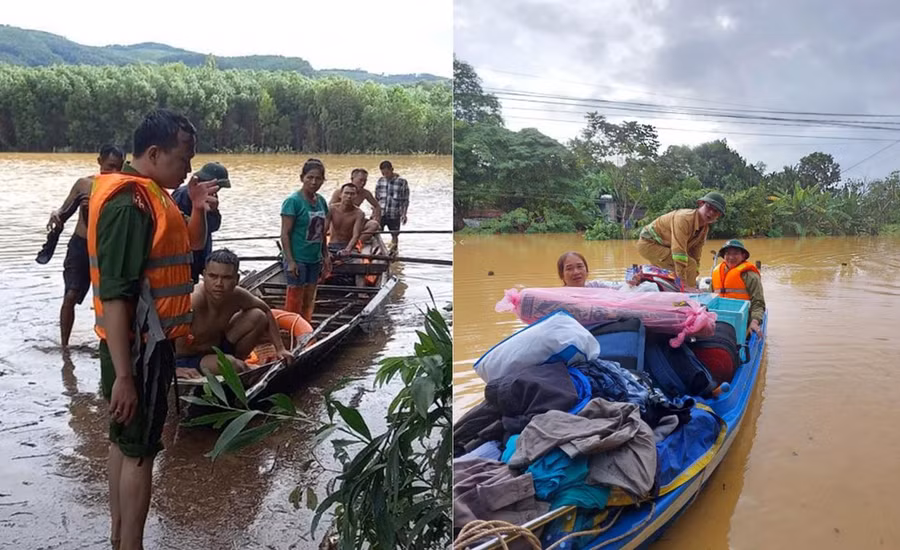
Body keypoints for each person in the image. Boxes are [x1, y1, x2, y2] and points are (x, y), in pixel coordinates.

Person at [87, 108, 218, 550]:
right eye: (184, 159)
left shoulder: (155, 195)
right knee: (140, 451)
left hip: (143, 346)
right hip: (139, 350)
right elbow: (117, 295)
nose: (187, 169)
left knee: (124, 443)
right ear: (155, 152)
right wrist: (125, 376)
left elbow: (192, 243)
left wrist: (197, 205)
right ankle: (130, 544)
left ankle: (120, 539)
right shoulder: (131, 204)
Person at [45, 145, 125, 348]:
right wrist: (55, 215)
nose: (113, 173)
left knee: (111, 299)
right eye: (109, 167)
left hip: (106, 248)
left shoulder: (123, 187)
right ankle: (64, 347)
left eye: (118, 168)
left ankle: (109, 343)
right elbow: (62, 212)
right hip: (80, 246)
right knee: (71, 295)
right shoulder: (84, 185)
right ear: (99, 162)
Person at [174, 249, 294, 379]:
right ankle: (237, 366)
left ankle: (238, 361)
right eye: (213, 276)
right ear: (204, 275)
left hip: (217, 347)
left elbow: (266, 311)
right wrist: (174, 369)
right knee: (231, 365)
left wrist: (280, 348)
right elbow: (160, 334)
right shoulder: (194, 301)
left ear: (236, 279)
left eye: (226, 278)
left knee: (258, 316)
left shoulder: (237, 295)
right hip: (187, 359)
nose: (219, 284)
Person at [636, 191, 726, 290]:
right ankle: (685, 292)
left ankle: (686, 290)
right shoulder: (684, 218)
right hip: (648, 243)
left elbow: (696, 254)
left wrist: (695, 274)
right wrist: (683, 284)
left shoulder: (704, 229)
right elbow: (678, 252)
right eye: (709, 207)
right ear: (701, 204)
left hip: (664, 246)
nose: (711, 212)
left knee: (692, 264)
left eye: (716, 211)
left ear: (719, 215)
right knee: (689, 265)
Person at [281, 158, 332, 324]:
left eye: (318, 178)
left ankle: (305, 328)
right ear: (302, 178)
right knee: (295, 298)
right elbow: (285, 234)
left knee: (309, 297)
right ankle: (290, 330)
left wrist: (325, 255)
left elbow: (321, 233)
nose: (314, 182)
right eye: (310, 177)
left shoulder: (321, 202)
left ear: (323, 180)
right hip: (298, 258)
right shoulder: (293, 202)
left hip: (314, 258)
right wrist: (290, 261)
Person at [172, 162, 230, 283]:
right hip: (185, 258)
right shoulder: (183, 195)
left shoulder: (210, 197)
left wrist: (214, 211)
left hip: (201, 255)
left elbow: (213, 226)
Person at [711, 239, 765, 336]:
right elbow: (710, 298)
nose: (731, 257)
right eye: (728, 254)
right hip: (719, 320)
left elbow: (758, 303)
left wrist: (754, 322)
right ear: (723, 256)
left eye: (736, 254)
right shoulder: (716, 273)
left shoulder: (751, 276)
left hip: (742, 322)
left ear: (743, 256)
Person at [330, 168, 381, 242]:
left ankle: (357, 243)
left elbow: (377, 206)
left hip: (356, 220)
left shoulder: (365, 193)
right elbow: (329, 210)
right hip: (341, 222)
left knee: (374, 225)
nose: (363, 183)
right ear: (352, 179)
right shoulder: (339, 192)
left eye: (365, 181)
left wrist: (377, 219)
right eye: (360, 180)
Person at [374, 160, 409, 252]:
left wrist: (404, 214)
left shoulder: (402, 182)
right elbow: (376, 199)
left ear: (392, 170)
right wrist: (374, 213)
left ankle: (394, 252)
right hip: (381, 213)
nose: (385, 175)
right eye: (383, 173)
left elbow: (405, 200)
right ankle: (378, 251)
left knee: (394, 234)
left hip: (394, 213)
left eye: (387, 173)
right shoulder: (380, 181)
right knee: (375, 232)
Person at [327, 183, 366, 256]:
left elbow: (356, 235)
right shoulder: (332, 209)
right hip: (332, 245)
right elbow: (323, 230)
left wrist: (348, 249)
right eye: (346, 193)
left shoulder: (359, 213)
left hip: (349, 246)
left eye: (352, 194)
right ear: (340, 195)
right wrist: (325, 250)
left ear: (356, 196)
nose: (349, 196)